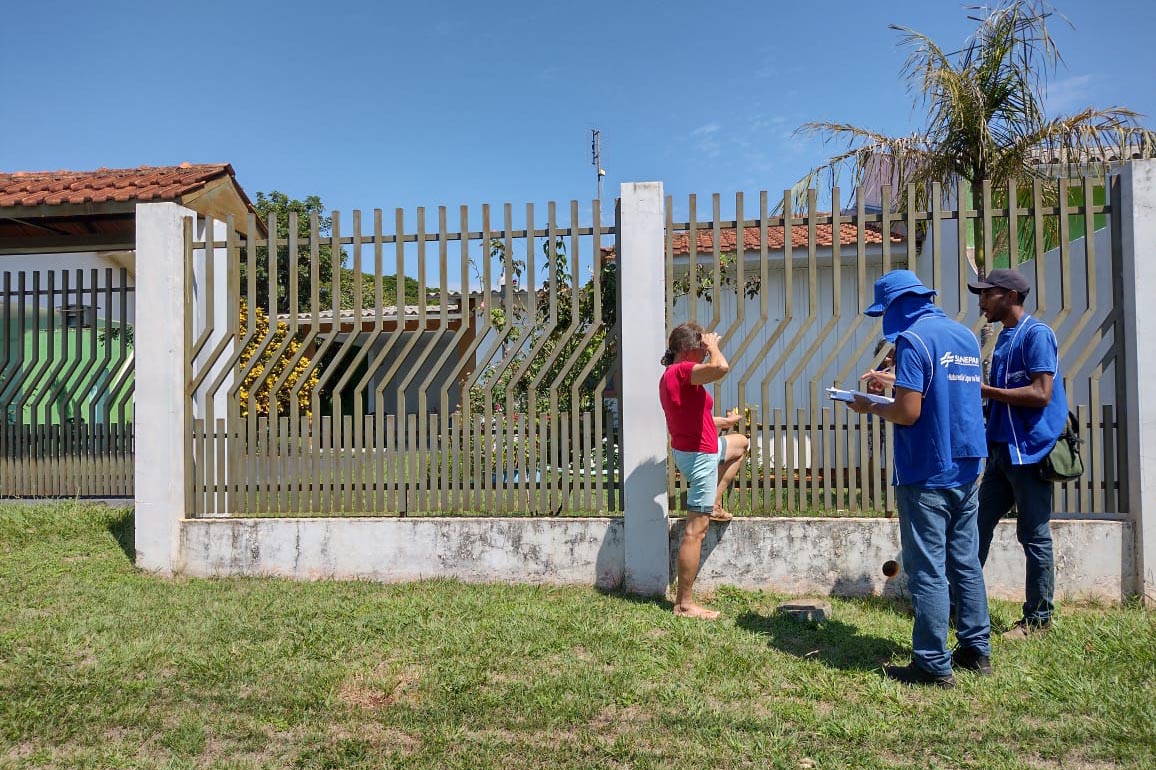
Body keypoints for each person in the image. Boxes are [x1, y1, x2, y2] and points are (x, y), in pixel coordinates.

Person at [850, 270, 991, 687]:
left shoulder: (912, 340)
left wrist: (870, 405)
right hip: (967, 465)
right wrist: (892, 381)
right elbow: (943, 388)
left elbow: (908, 412)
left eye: (884, 311)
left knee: (928, 569)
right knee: (965, 563)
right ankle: (975, 650)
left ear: (897, 306)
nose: (884, 320)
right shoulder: (964, 336)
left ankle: (931, 663)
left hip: (927, 469)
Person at [969, 268, 1068, 640]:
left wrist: (987, 392)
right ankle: (960, 605)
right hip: (1001, 452)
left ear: (1009, 296)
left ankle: (1038, 621)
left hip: (1031, 452)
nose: (981, 301)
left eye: (987, 294)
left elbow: (1041, 393)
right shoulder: (1005, 338)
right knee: (975, 528)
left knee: (1033, 535)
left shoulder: (1037, 335)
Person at [659, 322, 750, 619]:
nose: (704, 352)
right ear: (688, 350)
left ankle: (715, 502)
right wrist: (713, 346)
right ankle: (684, 604)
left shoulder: (675, 375)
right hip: (700, 458)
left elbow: (692, 415)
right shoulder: (682, 371)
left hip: (702, 448)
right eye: (700, 348)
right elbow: (721, 368)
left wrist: (724, 423)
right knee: (695, 531)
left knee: (740, 443)